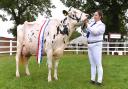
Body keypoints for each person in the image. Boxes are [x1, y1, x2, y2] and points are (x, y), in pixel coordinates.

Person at [84, 10, 105, 85]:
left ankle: (99, 81)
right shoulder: (92, 24)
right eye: (94, 15)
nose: (94, 16)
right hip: (90, 45)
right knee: (92, 64)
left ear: (100, 16)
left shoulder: (102, 25)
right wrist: (84, 23)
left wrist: (87, 24)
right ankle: (92, 79)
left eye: (96, 15)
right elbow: (86, 31)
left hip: (96, 45)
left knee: (98, 64)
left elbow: (95, 32)